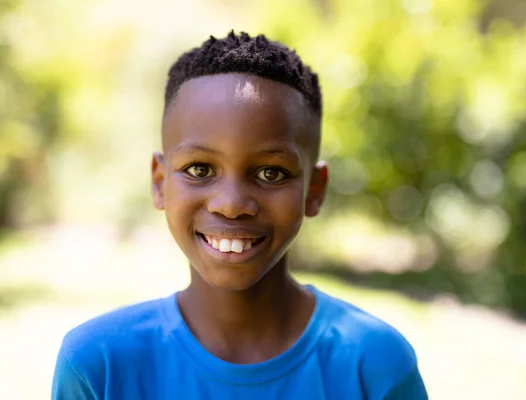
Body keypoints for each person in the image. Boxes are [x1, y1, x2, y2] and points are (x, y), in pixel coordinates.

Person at [51, 31, 428, 399]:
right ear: (160, 182)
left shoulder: (374, 366)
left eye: (271, 173)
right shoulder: (98, 367)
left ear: (314, 190)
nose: (230, 204)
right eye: (200, 170)